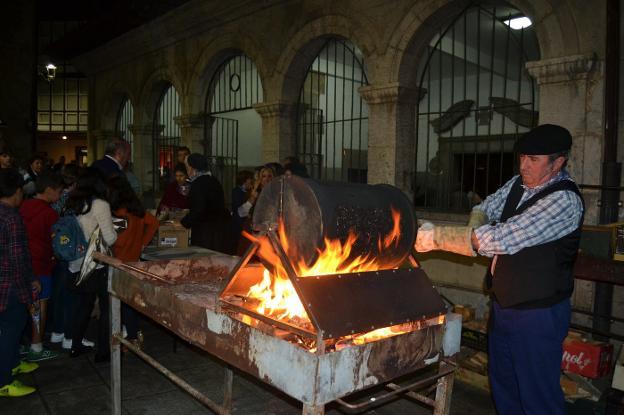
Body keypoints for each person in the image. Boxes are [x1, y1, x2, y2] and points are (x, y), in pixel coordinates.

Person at [415, 124, 584, 415]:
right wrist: (472, 229)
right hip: (505, 305)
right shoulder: (518, 184)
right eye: (522, 157)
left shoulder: (563, 200)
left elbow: (502, 238)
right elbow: (487, 207)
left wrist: (437, 237)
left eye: (534, 160)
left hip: (538, 314)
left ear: (558, 162)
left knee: (537, 396)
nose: (524, 165)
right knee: (504, 386)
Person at [65, 168, 117, 362]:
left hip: (77, 262)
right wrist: (114, 228)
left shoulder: (74, 202)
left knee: (84, 306)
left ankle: (75, 345)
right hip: (97, 263)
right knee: (106, 307)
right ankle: (103, 351)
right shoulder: (100, 204)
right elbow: (110, 238)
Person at [0, 169, 39, 397]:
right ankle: (4, 381)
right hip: (9, 285)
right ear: (16, 192)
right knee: (10, 330)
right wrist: (28, 287)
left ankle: (13, 363)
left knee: (9, 331)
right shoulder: (12, 217)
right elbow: (18, 258)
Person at [107, 176, 159, 349]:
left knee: (122, 302)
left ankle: (129, 335)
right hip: (134, 261)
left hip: (119, 262)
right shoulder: (137, 211)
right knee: (132, 302)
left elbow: (118, 241)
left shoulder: (118, 215)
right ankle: (134, 334)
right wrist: (142, 243)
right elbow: (154, 223)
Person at [19, 173, 65, 362]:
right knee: (40, 304)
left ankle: (23, 343)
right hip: (41, 264)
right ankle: (37, 346)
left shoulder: (22, 206)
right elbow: (55, 241)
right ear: (48, 191)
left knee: (25, 305)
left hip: (22, 263)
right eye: (59, 192)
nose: (61, 195)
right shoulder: (49, 213)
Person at [180, 153, 232, 252]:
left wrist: (184, 223)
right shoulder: (213, 180)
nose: (187, 171)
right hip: (218, 231)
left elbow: (199, 209)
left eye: (187, 167)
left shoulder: (198, 184)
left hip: (206, 234)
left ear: (192, 168)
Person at [231, 170, 254, 247]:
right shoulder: (237, 191)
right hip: (239, 223)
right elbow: (239, 209)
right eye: (250, 179)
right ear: (245, 180)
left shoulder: (247, 191)